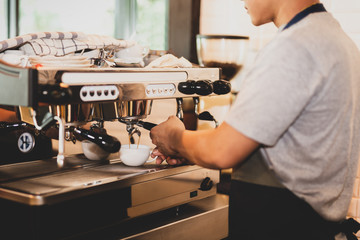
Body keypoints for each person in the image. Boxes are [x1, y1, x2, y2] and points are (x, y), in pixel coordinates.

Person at [150, 0, 360, 239]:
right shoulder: (336, 39)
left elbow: (222, 150)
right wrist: (189, 147)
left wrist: (174, 137)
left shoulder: (295, 46)